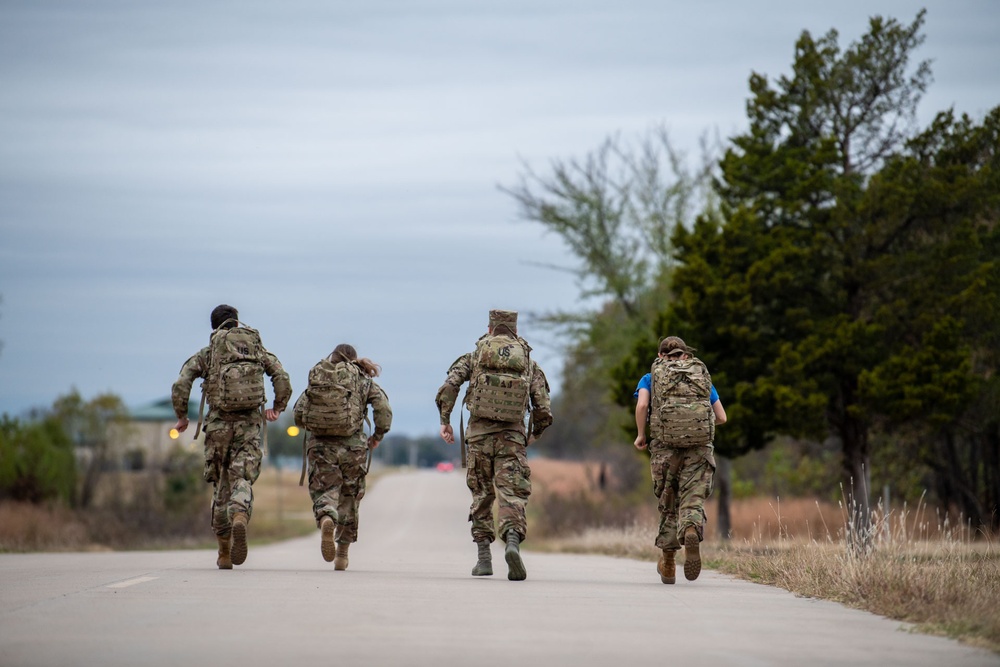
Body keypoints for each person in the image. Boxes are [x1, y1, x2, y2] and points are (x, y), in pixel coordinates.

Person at [172, 304, 292, 569]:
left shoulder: (208, 353)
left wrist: (182, 416)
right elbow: (281, 376)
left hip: (217, 428)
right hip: (249, 425)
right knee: (242, 478)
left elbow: (182, 381)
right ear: (237, 324)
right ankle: (239, 512)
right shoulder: (256, 349)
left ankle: (224, 552)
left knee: (221, 485)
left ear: (214, 327)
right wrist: (278, 407)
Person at [435, 309, 552, 581]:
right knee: (511, 494)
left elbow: (450, 386)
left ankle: (484, 559)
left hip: (478, 438)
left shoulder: (475, 356)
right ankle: (511, 540)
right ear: (515, 330)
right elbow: (543, 406)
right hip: (511, 438)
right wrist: (534, 433)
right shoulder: (527, 361)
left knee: (482, 494)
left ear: (489, 329)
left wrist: (445, 420)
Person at [633, 335, 726, 584]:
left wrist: (642, 435)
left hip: (665, 448)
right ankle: (692, 530)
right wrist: (697, 426)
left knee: (668, 501)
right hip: (699, 448)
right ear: (685, 354)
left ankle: (669, 563)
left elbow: (642, 406)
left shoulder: (650, 377)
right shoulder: (699, 374)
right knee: (692, 498)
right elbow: (722, 416)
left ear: (660, 355)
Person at [293, 344, 392, 570]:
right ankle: (342, 554)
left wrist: (314, 424)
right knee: (350, 496)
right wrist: (377, 435)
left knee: (324, 490)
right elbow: (384, 409)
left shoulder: (319, 377)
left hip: (320, 446)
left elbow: (298, 413)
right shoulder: (363, 380)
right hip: (353, 448)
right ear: (354, 359)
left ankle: (327, 517)